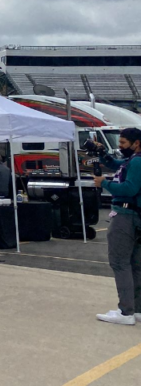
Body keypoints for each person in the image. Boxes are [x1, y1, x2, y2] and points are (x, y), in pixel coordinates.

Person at [95, 127, 141, 325]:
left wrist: (104, 183)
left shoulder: (137, 161)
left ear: (136, 143)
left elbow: (130, 188)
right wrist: (101, 154)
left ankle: (125, 312)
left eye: (123, 143)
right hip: (135, 216)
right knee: (135, 264)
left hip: (125, 215)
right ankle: (137, 309)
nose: (120, 147)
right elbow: (116, 164)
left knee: (119, 262)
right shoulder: (134, 161)